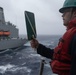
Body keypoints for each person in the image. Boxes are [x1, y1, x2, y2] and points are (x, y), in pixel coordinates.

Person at [30, 0, 76, 75]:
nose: (62, 15)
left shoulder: (74, 35)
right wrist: (38, 46)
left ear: (75, 13)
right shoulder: (71, 34)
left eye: (65, 11)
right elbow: (59, 55)